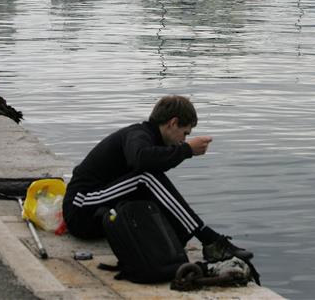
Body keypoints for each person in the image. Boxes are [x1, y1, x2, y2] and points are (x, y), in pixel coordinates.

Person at [63, 95, 253, 263]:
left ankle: (180, 238)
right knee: (145, 178)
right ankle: (210, 240)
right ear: (172, 123)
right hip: (81, 209)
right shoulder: (138, 134)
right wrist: (187, 150)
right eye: (185, 133)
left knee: (151, 178)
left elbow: (154, 165)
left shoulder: (150, 139)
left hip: (99, 212)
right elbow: (140, 159)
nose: (184, 140)